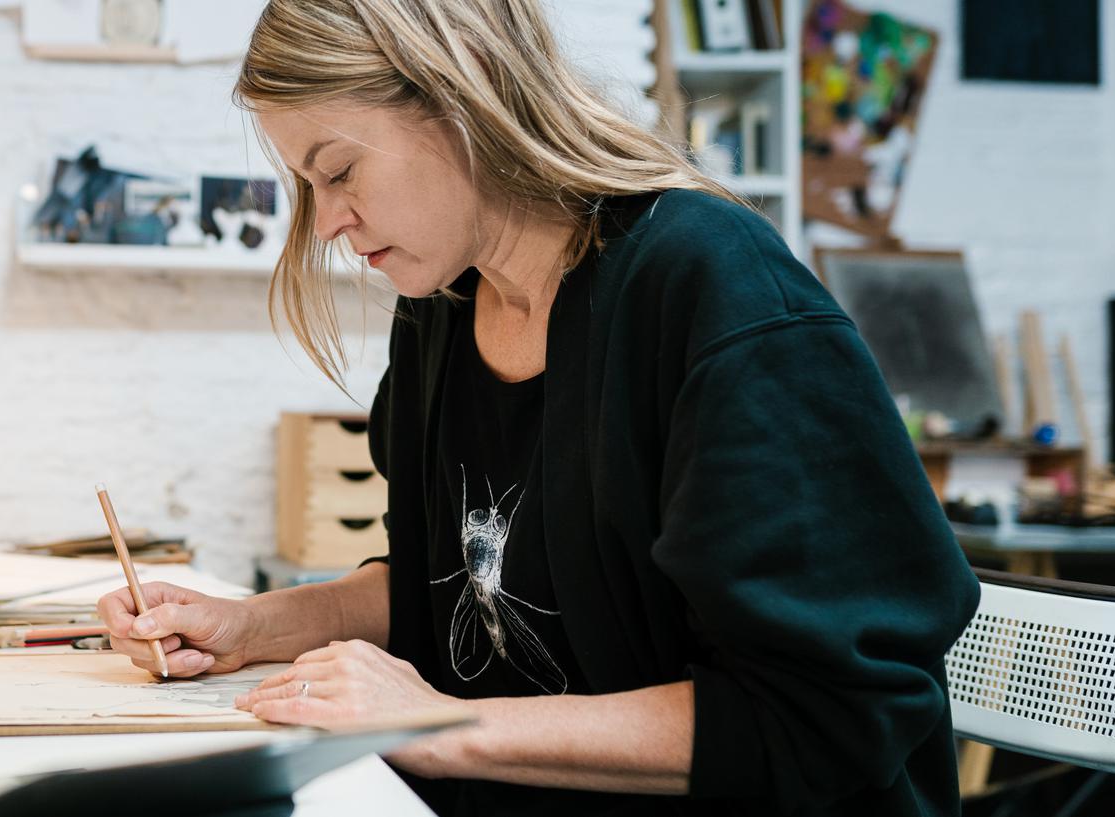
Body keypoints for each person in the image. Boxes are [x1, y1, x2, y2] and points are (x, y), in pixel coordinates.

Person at [96, 2, 980, 814]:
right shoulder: (443, 303)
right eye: (307, 186)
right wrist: (253, 627)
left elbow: (818, 714)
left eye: (339, 170)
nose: (326, 223)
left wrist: (435, 727)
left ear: (459, 93)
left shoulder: (712, 291)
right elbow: (449, 585)